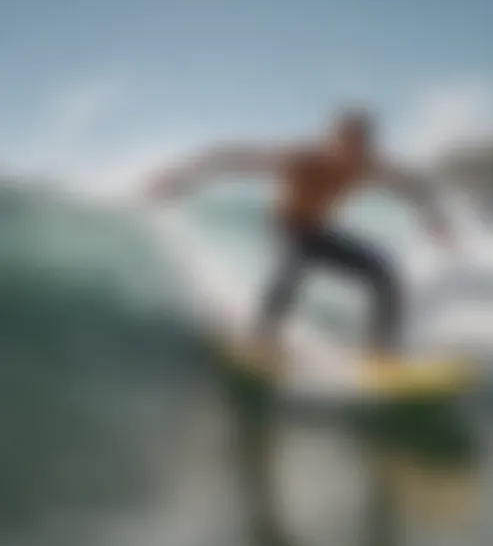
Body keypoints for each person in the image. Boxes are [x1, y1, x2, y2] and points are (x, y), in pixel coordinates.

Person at [143, 108, 452, 363]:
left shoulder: (365, 166)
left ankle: (381, 352)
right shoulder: (302, 159)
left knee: (384, 272)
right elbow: (230, 158)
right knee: (296, 264)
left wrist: (435, 218)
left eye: (357, 147)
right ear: (331, 140)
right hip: (286, 229)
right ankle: (262, 338)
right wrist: (178, 179)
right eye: (343, 144)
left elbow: (413, 185)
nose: (349, 154)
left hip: (318, 231)